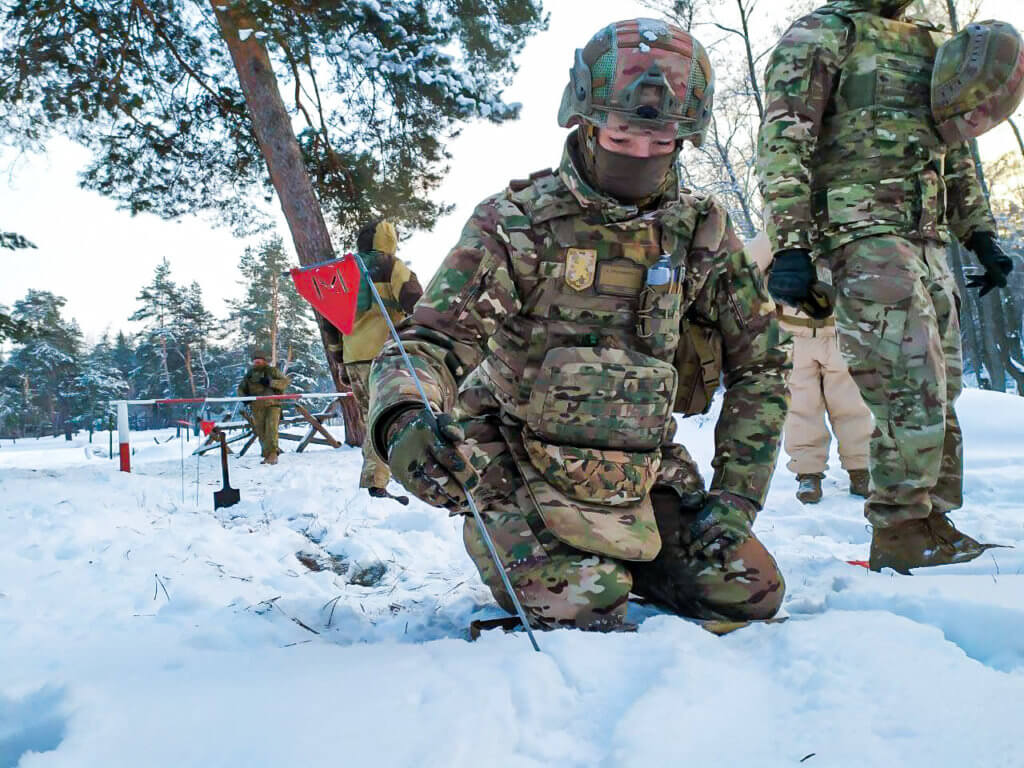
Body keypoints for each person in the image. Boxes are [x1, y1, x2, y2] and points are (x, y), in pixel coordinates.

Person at [367, 18, 791, 631]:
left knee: (748, 592)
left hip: (640, 471)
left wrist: (733, 501)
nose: (642, 152)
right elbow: (429, 344)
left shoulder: (701, 233)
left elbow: (762, 368)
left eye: (662, 139)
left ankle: (627, 557)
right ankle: (580, 562)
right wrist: (405, 420)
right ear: (586, 121)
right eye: (623, 133)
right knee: (583, 600)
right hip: (517, 457)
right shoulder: (516, 224)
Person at [756, 1, 1021, 571]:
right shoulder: (825, 33)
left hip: (923, 238)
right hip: (861, 233)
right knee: (908, 385)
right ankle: (900, 531)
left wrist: (978, 234)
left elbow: (953, 151)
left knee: (940, 388)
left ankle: (931, 521)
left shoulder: (928, 45)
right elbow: (785, 140)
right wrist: (793, 243)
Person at [748, 232, 871, 504]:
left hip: (842, 333)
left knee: (852, 404)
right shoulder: (779, 230)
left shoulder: (844, 224)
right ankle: (808, 473)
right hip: (795, 336)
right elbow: (747, 265)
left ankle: (861, 467)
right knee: (801, 407)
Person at [343, 220, 423, 500]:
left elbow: (332, 322)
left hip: (353, 356)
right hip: (386, 352)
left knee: (371, 418)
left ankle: (377, 478)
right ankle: (391, 478)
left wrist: (339, 360)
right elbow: (415, 299)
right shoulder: (391, 265)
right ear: (388, 239)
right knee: (396, 416)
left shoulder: (345, 271)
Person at [237, 351, 291, 465]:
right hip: (256, 407)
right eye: (255, 360)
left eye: (259, 360)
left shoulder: (272, 371)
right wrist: (245, 398)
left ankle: (272, 455)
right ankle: (267, 455)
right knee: (261, 432)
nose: (257, 362)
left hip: (272, 405)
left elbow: (285, 382)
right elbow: (241, 389)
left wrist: (271, 383)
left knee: (271, 429)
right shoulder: (250, 374)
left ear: (264, 361)